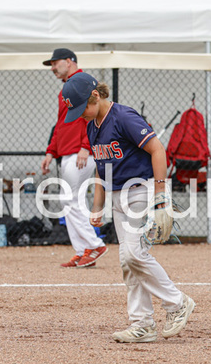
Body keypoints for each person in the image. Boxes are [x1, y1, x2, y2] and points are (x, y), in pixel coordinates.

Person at [61, 72, 195, 343]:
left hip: (142, 191)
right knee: (127, 261)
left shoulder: (123, 116)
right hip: (117, 197)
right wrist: (97, 207)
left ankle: (177, 302)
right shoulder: (92, 126)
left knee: (134, 254)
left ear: (96, 96)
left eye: (82, 108)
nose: (81, 116)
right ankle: (142, 323)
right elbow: (101, 170)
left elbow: (158, 150)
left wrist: (160, 195)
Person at [40, 48, 107, 268]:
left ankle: (94, 244)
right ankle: (83, 250)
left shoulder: (83, 82)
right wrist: (51, 151)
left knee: (69, 199)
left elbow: (95, 114)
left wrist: (86, 146)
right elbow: (61, 123)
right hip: (69, 151)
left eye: (55, 63)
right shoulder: (67, 88)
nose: (52, 68)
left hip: (80, 152)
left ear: (70, 61)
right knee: (70, 200)